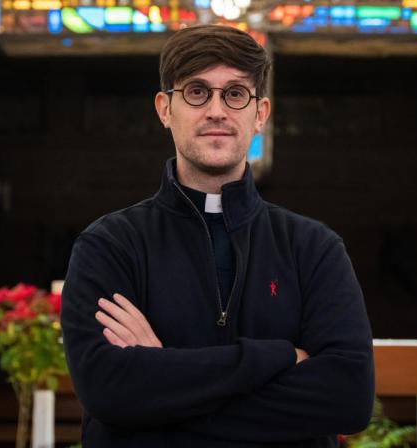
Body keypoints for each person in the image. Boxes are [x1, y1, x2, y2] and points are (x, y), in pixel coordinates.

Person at [61, 24, 375, 447]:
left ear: (260, 113)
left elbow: (348, 398)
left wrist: (160, 379)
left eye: (234, 93)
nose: (216, 111)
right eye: (196, 91)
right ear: (164, 109)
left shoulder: (313, 248)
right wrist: (278, 356)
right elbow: (108, 391)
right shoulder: (110, 245)